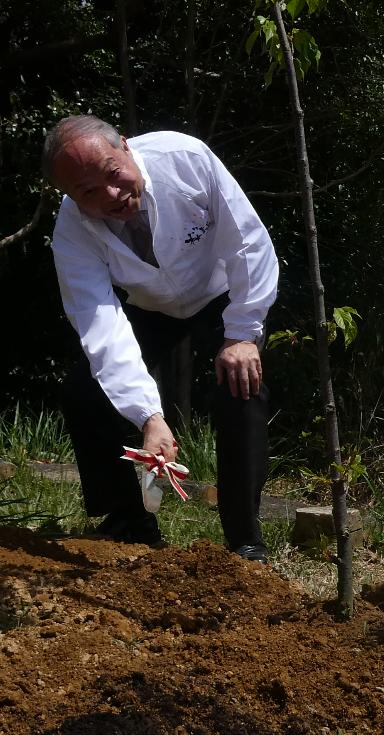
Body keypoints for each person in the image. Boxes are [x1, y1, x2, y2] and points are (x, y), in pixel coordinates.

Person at [46, 115, 277, 557]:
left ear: (127, 147)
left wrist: (243, 332)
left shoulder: (185, 159)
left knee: (240, 387)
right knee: (85, 391)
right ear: (70, 196)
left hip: (222, 291)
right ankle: (129, 523)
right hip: (151, 305)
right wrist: (148, 416)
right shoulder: (72, 232)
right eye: (87, 192)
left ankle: (244, 539)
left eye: (113, 175)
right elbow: (101, 327)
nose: (110, 196)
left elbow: (247, 241)